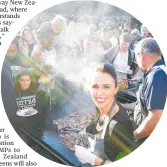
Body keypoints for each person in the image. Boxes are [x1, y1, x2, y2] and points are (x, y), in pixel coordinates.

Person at [75, 63, 137, 166]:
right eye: (95, 86)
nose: (99, 93)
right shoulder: (102, 108)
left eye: (106, 87)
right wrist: (87, 130)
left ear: (116, 89)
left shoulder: (121, 126)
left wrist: (94, 160)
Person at [133, 38, 167, 145]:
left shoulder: (156, 76)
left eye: (136, 58)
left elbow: (155, 119)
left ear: (141, 55)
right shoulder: (161, 70)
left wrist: (134, 135)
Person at [13, 69, 50, 138]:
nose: (25, 83)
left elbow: (40, 109)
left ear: (31, 80)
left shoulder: (35, 91)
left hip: (33, 124)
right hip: (20, 125)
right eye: (22, 80)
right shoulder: (13, 92)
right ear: (18, 80)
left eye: (28, 80)